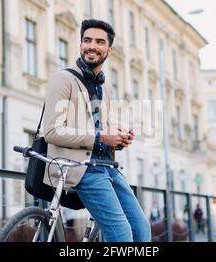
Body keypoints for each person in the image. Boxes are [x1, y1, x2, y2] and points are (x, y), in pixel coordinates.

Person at [42, 19, 151, 242]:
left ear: (109, 50)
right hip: (82, 169)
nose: (92, 45)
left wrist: (118, 138)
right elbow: (52, 132)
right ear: (80, 44)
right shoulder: (63, 79)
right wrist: (102, 137)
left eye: (99, 42)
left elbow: (100, 129)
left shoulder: (104, 87)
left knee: (142, 230)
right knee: (121, 236)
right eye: (87, 40)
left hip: (108, 168)